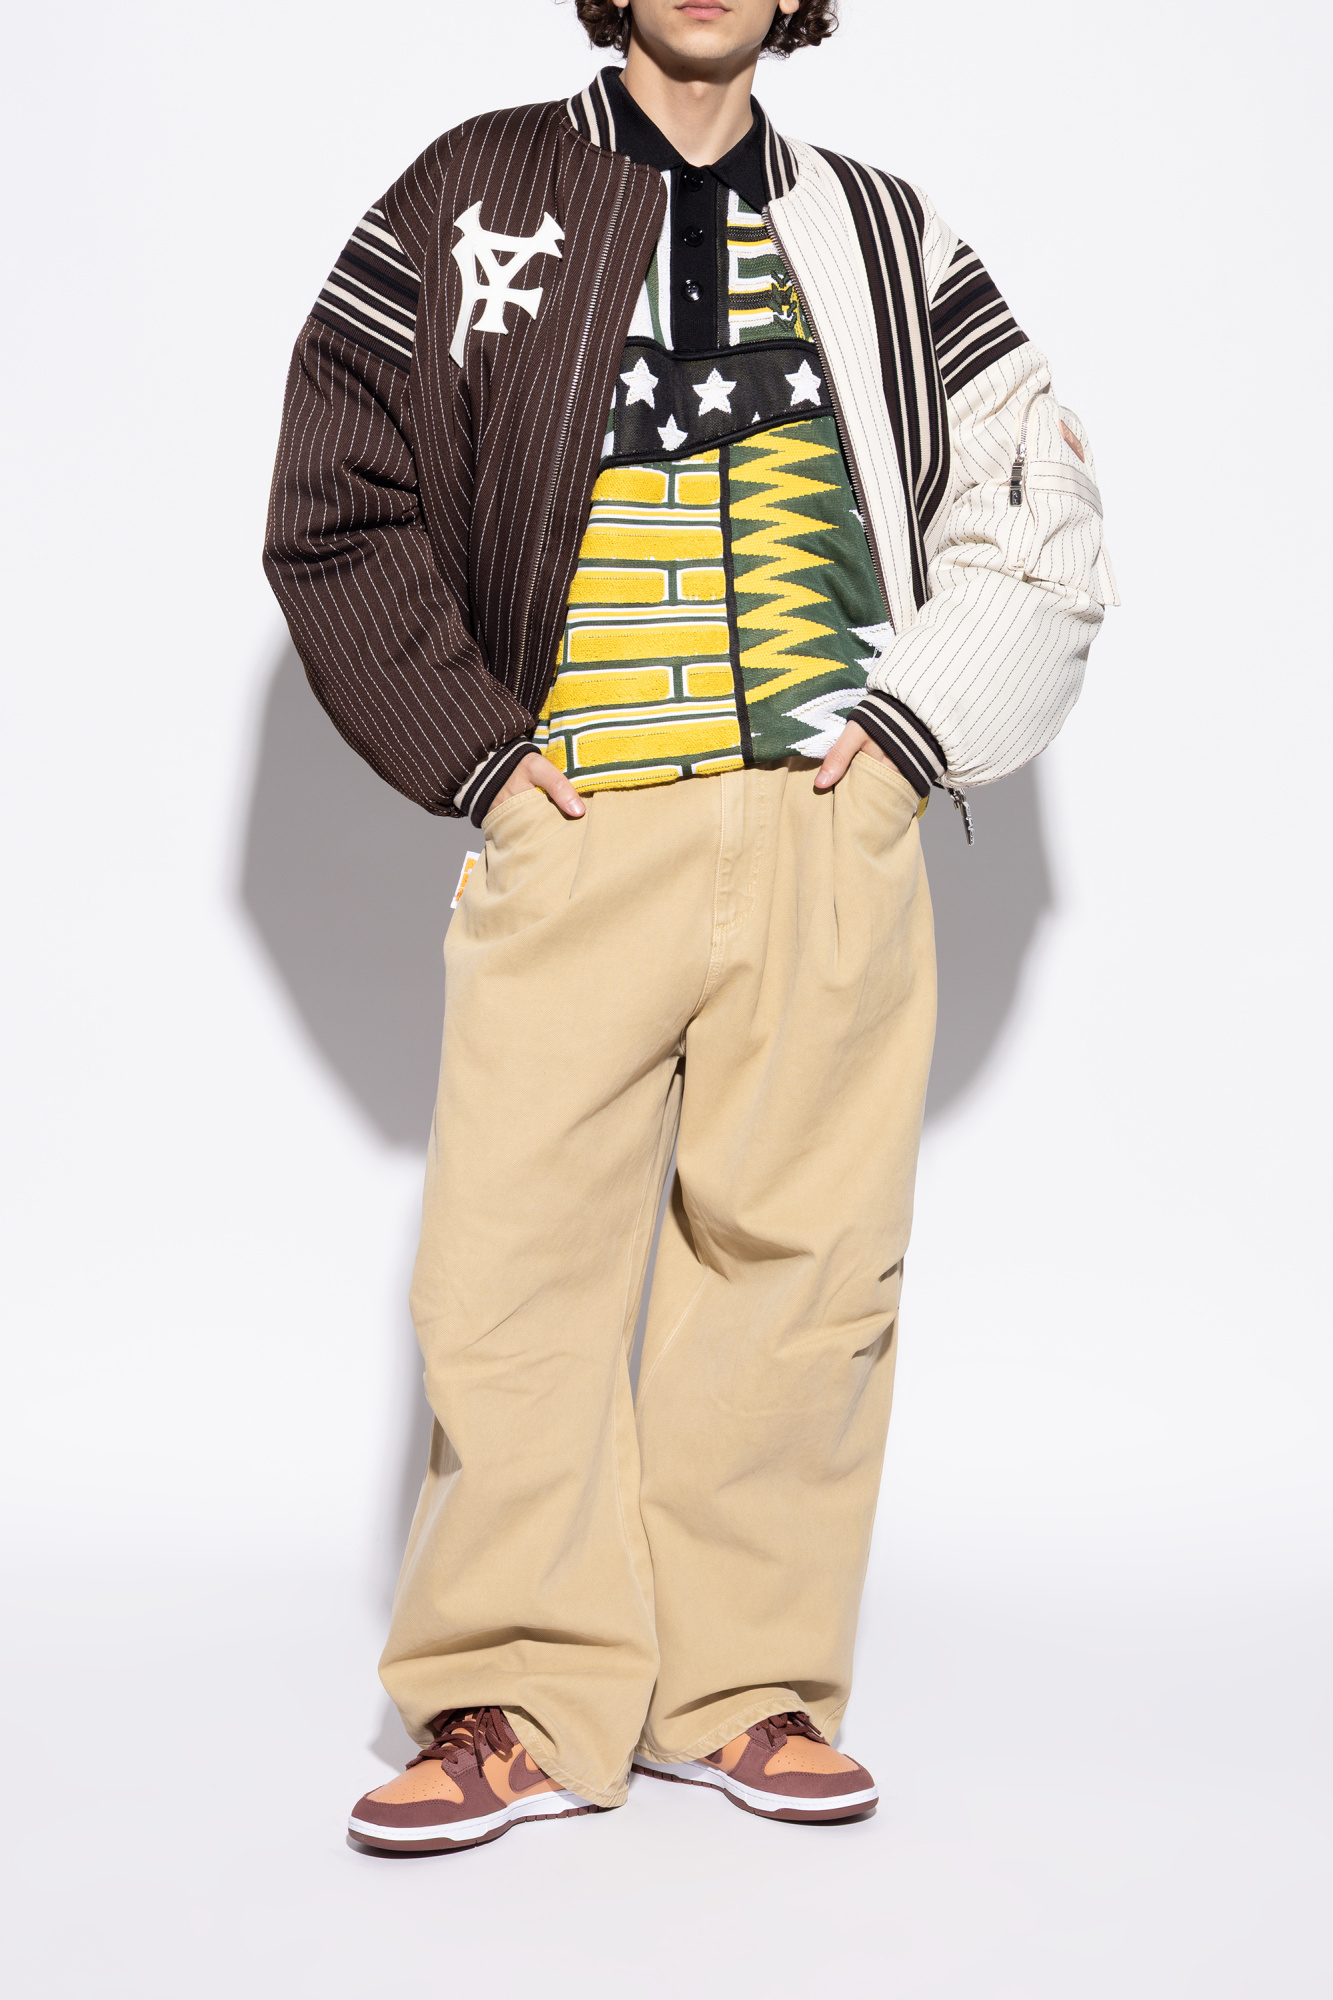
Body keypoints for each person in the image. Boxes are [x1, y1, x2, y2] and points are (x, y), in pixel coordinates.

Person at [263, 0, 1115, 1856]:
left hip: (828, 825)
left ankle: (742, 1688)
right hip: (578, 824)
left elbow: (1032, 486)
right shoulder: (470, 194)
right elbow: (338, 498)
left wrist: (912, 742)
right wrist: (482, 762)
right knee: (507, 1270)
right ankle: (509, 1698)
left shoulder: (884, 230)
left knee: (807, 1267)